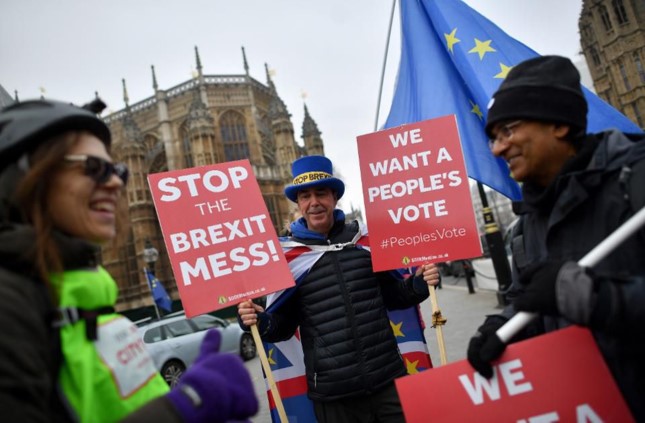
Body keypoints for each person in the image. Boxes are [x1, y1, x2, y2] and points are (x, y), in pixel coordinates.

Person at [0, 98, 258, 423]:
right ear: (27, 178)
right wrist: (186, 405)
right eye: (93, 167)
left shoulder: (87, 288)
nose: (115, 182)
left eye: (117, 170)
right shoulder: (9, 302)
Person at [466, 56, 645, 420]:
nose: (498, 149)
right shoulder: (527, 223)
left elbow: (570, 293)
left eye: (508, 130)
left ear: (559, 124)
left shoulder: (635, 181)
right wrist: (504, 328)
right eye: (493, 138)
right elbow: (532, 299)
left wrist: (593, 297)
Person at [238, 155, 440, 423]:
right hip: (334, 398)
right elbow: (283, 327)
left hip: (388, 382)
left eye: (321, 193)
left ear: (334, 197)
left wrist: (419, 283)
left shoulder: (363, 242)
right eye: (305, 196)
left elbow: (394, 296)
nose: (314, 202)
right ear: (298, 204)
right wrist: (258, 320)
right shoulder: (290, 258)